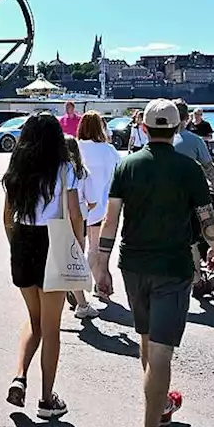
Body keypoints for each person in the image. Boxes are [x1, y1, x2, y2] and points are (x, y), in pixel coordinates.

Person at [94, 99, 214, 427]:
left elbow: (110, 221)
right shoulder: (188, 169)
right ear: (179, 127)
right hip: (173, 267)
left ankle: (160, 405)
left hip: (133, 266)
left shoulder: (128, 166)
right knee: (162, 352)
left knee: (146, 339)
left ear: (144, 128)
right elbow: (206, 217)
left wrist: (101, 265)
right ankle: (152, 423)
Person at [2, 113, 83, 420]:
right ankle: (47, 400)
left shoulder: (16, 170)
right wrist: (77, 249)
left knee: (33, 320)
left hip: (23, 240)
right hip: (54, 240)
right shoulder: (65, 169)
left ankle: (19, 376)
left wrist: (16, 246)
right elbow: (74, 214)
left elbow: (7, 217)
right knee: (51, 328)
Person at [75, 111, 121, 302]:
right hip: (100, 207)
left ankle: (99, 286)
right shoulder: (108, 150)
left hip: (75, 206)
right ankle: (77, 284)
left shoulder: (75, 148)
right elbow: (118, 175)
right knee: (95, 250)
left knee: (78, 249)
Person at [63, 135, 100, 319]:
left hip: (59, 218)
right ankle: (81, 303)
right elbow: (93, 201)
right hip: (79, 219)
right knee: (75, 261)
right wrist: (84, 207)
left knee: (65, 259)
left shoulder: (57, 171)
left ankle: (76, 296)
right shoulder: (83, 173)